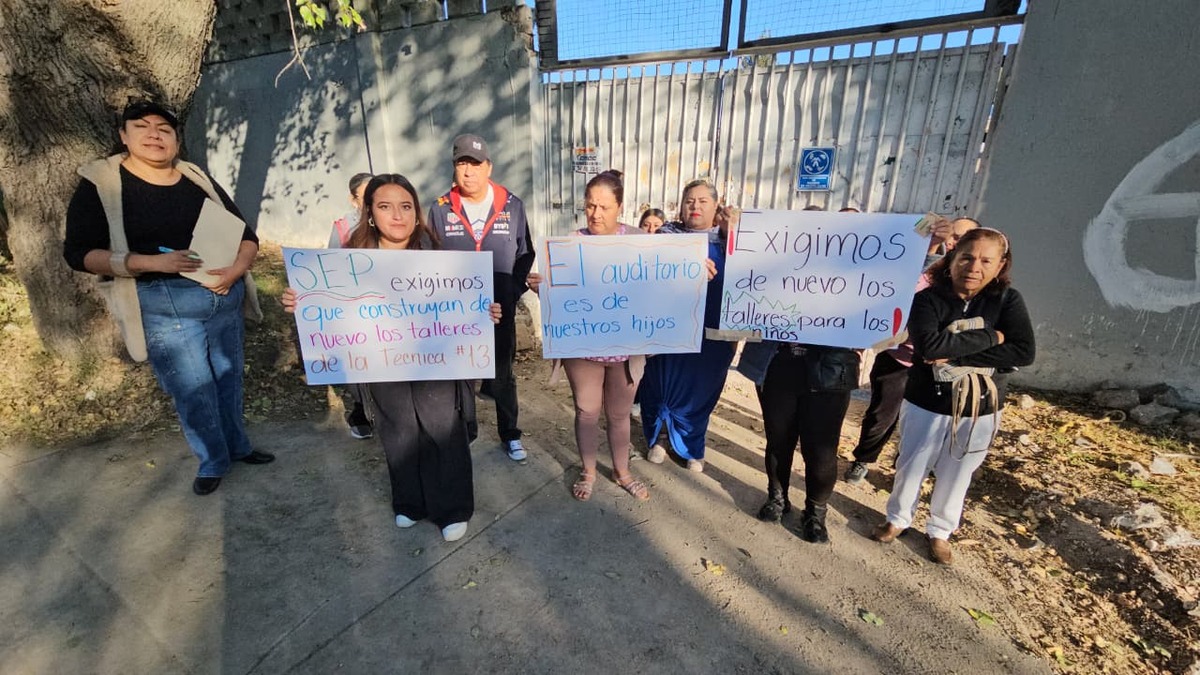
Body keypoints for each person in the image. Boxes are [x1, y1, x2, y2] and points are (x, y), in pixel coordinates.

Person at [63, 100, 273, 496]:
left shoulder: (195, 177)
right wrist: (149, 263)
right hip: (165, 308)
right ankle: (214, 460)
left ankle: (239, 446)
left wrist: (235, 270)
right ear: (124, 137)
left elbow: (246, 235)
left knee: (228, 379)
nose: (154, 134)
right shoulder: (102, 185)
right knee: (193, 391)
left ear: (177, 139)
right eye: (141, 126)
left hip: (224, 298)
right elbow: (79, 254)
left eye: (164, 128)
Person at [282, 174, 501, 542]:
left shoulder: (441, 260)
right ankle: (410, 503)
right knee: (398, 430)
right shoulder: (347, 265)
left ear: (417, 213)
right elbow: (329, 311)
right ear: (369, 214)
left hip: (437, 363)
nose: (397, 216)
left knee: (441, 428)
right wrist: (302, 303)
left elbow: (466, 306)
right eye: (385, 206)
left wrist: (485, 312)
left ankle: (451, 508)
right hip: (381, 360)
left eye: (406, 206)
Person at [870, 228, 1034, 564]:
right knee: (912, 462)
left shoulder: (1007, 300)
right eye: (967, 257)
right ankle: (897, 519)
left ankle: (940, 531)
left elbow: (1023, 352)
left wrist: (955, 353)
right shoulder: (928, 299)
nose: (974, 266)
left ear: (1001, 264)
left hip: (980, 406)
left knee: (958, 470)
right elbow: (929, 347)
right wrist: (994, 337)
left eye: (986, 260)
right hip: (925, 399)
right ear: (953, 259)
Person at [735, 206, 861, 543]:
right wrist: (735, 231)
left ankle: (816, 512)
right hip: (779, 364)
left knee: (821, 451)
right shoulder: (773, 267)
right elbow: (742, 278)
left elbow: (903, 282)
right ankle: (777, 498)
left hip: (831, 370)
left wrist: (927, 238)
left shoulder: (858, 271)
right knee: (779, 440)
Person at [527, 171, 650, 501]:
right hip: (584, 350)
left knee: (620, 415)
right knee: (587, 411)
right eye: (590, 205)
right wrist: (543, 289)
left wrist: (699, 272)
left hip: (626, 351)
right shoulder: (570, 244)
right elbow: (564, 300)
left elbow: (665, 287)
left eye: (604, 207)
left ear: (620, 207)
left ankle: (623, 472)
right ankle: (589, 470)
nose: (595, 214)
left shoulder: (642, 242)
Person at [844, 217, 981, 485]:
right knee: (882, 415)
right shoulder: (926, 267)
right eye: (952, 234)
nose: (954, 240)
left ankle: (907, 465)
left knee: (927, 423)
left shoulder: (979, 281)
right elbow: (897, 288)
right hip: (899, 358)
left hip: (942, 367)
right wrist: (930, 248)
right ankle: (864, 459)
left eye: (963, 237)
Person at [428, 135, 535, 462]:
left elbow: (524, 254)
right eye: (462, 163)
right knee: (461, 377)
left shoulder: (512, 205)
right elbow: (429, 259)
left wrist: (512, 293)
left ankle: (510, 434)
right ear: (454, 168)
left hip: (499, 313)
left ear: (488, 167)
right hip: (457, 314)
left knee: (502, 374)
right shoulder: (440, 208)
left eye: (475, 164)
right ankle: (466, 431)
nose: (468, 171)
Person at [639, 180, 732, 473]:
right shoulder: (665, 236)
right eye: (690, 200)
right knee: (661, 382)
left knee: (701, 387)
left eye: (703, 201)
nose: (695, 206)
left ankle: (692, 444)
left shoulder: (730, 241)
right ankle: (659, 438)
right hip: (668, 326)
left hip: (712, 331)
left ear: (716, 206)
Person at [326, 172, 376, 440]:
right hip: (354, 308)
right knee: (358, 363)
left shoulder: (390, 221)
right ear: (353, 199)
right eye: (366, 195)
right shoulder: (344, 227)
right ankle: (360, 412)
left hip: (387, 309)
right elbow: (330, 267)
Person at [328, 172, 373, 247]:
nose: (372, 201)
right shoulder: (344, 228)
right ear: (353, 200)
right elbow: (332, 256)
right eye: (365, 197)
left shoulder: (392, 221)